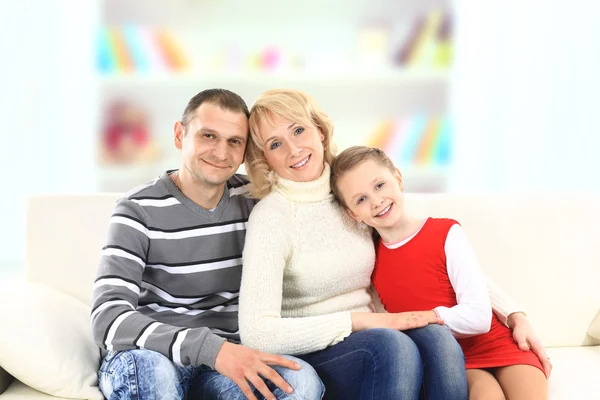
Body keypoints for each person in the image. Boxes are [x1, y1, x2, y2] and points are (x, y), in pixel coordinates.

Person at [237, 89, 549, 400]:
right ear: (266, 158)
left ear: (319, 130)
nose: (293, 149)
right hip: (316, 350)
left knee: (436, 337)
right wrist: (358, 322)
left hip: (374, 337)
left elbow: (432, 252)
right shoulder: (272, 218)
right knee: (391, 344)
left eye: (299, 130)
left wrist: (513, 312)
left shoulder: (354, 194)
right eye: (276, 144)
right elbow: (257, 331)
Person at [91, 89, 324, 400]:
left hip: (226, 367)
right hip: (152, 357)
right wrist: (210, 348)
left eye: (234, 141)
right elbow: (107, 318)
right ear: (179, 135)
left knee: (301, 381)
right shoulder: (136, 209)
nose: (221, 153)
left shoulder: (257, 200)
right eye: (208, 136)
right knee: (153, 375)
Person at [330, 146, 549, 400]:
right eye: (361, 199)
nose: (376, 201)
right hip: (453, 360)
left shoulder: (445, 233)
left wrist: (515, 314)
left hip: (499, 343)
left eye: (379, 185)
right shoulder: (369, 262)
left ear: (398, 178)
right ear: (352, 214)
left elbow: (478, 311)